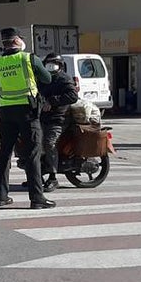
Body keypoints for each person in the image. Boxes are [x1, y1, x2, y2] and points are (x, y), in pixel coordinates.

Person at [0, 28, 54, 209]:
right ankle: (37, 199)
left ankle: (1, 197)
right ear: (17, 41)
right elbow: (47, 78)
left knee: (4, 154)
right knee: (32, 154)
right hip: (28, 112)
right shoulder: (28, 58)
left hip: (6, 113)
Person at [39, 52, 80, 192]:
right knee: (33, 142)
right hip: (42, 117)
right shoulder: (43, 79)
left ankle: (53, 178)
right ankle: (37, 176)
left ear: (60, 66)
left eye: (53, 64)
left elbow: (73, 96)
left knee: (49, 143)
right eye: (48, 64)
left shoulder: (64, 79)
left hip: (59, 119)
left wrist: (53, 101)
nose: (50, 67)